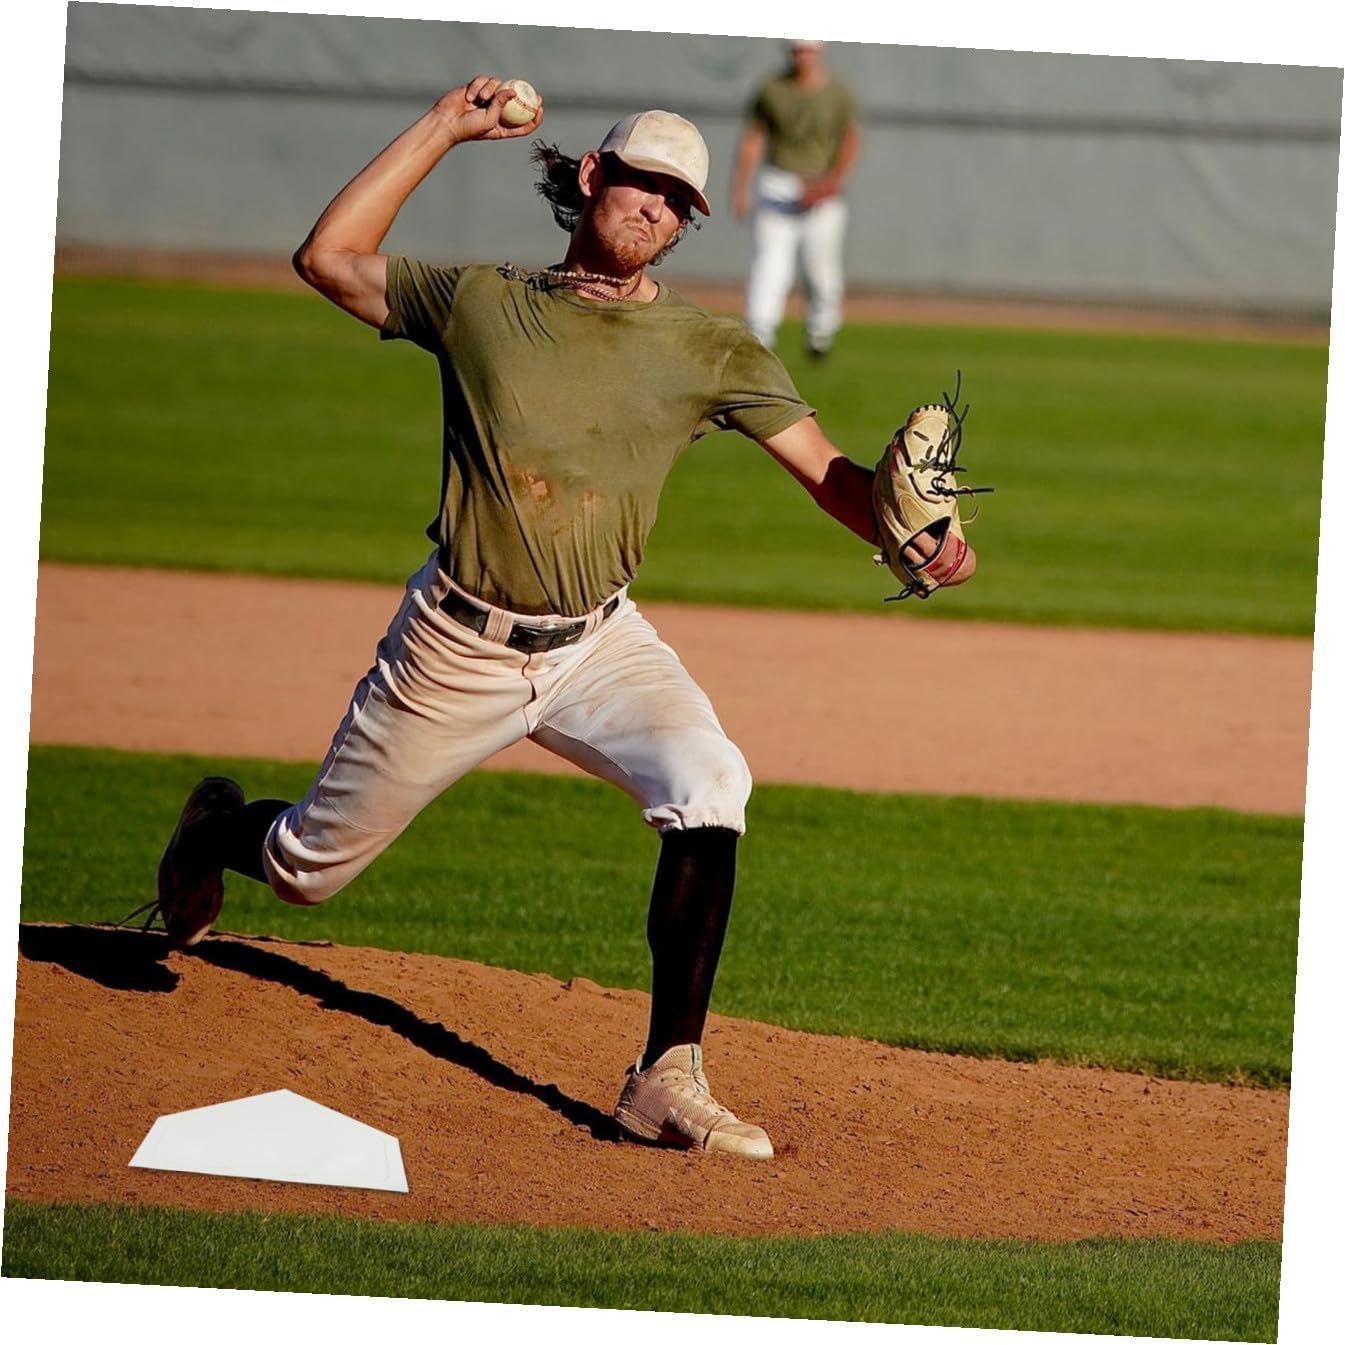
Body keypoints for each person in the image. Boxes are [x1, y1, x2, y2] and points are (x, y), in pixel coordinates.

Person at [147, 76, 975, 1162]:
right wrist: (446, 126)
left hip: (599, 644)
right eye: (643, 183)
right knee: (307, 870)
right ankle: (214, 828)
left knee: (711, 780)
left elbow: (830, 476)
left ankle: (665, 1078)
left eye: (679, 202)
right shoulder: (481, 301)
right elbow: (329, 259)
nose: (657, 209)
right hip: (456, 646)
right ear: (592, 176)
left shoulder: (711, 349)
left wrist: (914, 532)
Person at [732, 40, 862, 359]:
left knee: (822, 266)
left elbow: (850, 140)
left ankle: (821, 331)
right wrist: (740, 187)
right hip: (778, 181)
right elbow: (754, 138)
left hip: (821, 185)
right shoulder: (772, 88)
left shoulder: (838, 92)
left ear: (820, 52)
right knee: (770, 263)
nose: (802, 57)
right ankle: (761, 332)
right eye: (797, 50)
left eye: (808, 50)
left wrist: (833, 182)